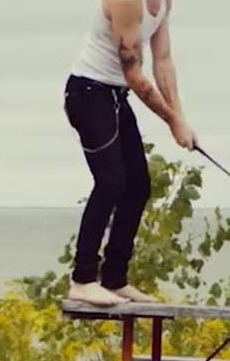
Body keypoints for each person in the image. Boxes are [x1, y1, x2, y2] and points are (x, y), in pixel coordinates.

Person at [63, 0, 195, 306]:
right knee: (110, 182)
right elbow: (134, 74)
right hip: (87, 93)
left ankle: (114, 279)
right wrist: (172, 121)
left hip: (114, 95)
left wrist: (181, 116)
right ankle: (82, 279)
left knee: (137, 186)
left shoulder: (163, 3)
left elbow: (162, 60)